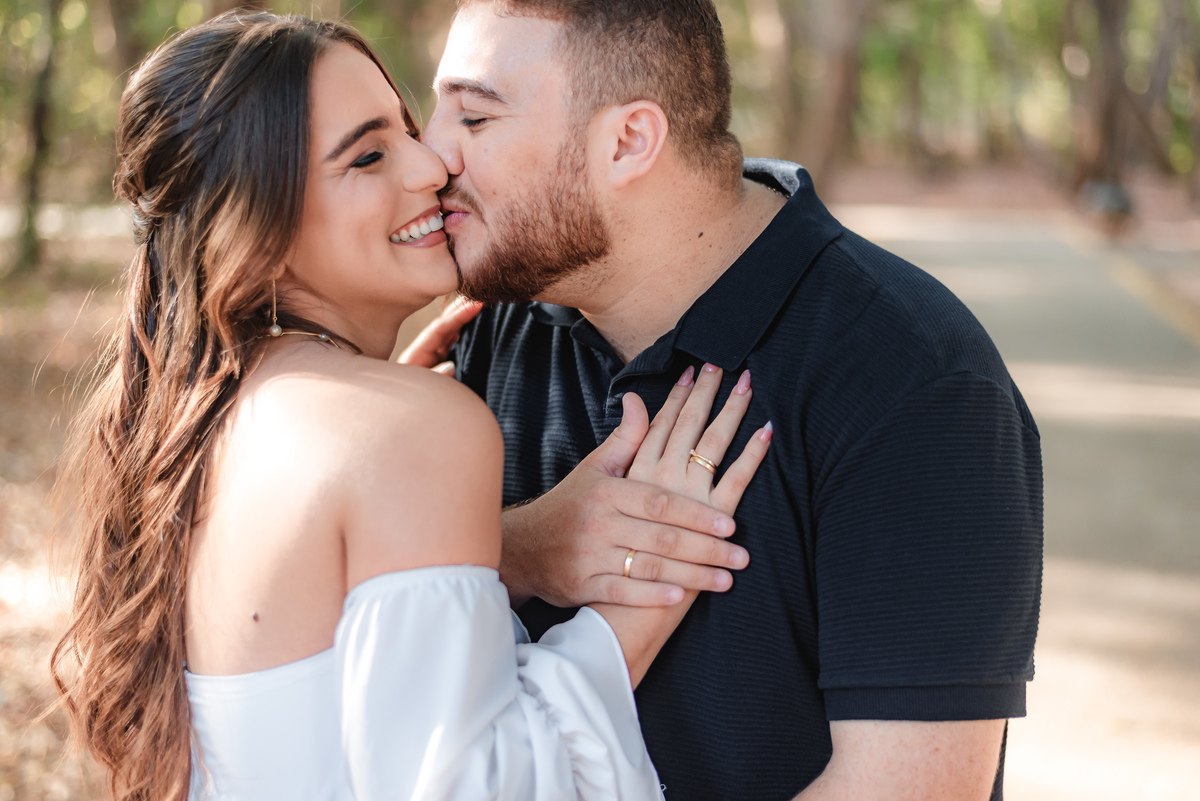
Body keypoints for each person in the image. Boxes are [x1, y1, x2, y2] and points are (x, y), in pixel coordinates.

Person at [49, 12, 772, 801]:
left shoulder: (201, 416)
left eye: (404, 126)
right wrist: (627, 621)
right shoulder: (408, 427)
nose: (431, 165)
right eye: (367, 156)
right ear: (254, 233)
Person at [406, 1, 1045, 799]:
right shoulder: (495, 325)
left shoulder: (912, 380)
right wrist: (523, 546)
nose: (430, 156)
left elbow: (905, 786)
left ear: (629, 141)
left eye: (472, 115)